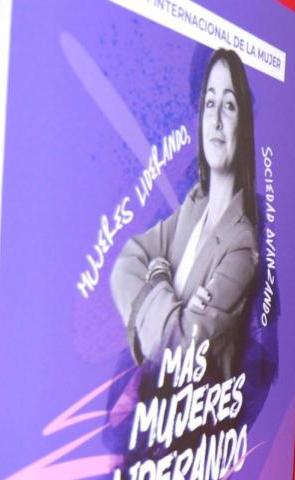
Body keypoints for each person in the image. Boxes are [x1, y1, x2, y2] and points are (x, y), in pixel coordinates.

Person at [112, 48, 258, 380]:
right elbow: (125, 265)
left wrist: (158, 277)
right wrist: (176, 308)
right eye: (210, 103)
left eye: (230, 105)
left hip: (196, 422)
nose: (217, 118)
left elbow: (179, 351)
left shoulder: (241, 245)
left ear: (243, 126)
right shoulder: (193, 205)